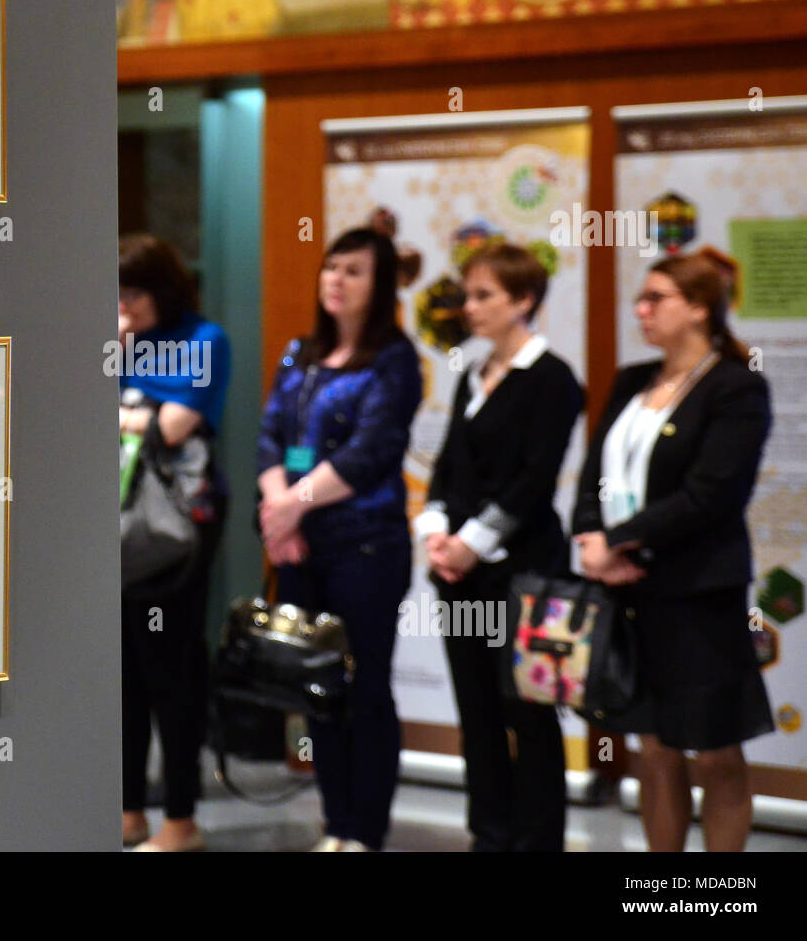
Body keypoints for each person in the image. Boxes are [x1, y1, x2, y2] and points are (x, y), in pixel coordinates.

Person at [572, 254, 773, 852]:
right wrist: (590, 538)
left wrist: (620, 539)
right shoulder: (633, 380)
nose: (642, 310)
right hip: (625, 589)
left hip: (697, 592)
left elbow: (710, 495)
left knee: (713, 750)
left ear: (699, 307)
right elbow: (591, 476)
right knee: (652, 746)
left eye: (656, 297)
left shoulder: (736, 387)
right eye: (641, 298)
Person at [257, 227, 423, 851]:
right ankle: (336, 825)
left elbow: (368, 454)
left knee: (366, 689)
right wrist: (282, 515)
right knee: (317, 689)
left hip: (366, 548)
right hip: (300, 547)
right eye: (331, 267)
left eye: (353, 270)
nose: (336, 280)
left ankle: (367, 833)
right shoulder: (300, 354)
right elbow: (272, 437)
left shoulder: (394, 359)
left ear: (379, 286)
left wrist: (288, 510)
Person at [414, 243, 584, 852]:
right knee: (477, 710)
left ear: (524, 300)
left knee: (531, 714)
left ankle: (538, 841)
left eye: (485, 295)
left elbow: (534, 481)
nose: (470, 306)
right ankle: (488, 835)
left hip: (526, 574)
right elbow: (447, 467)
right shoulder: (473, 373)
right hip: (460, 576)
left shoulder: (553, 379)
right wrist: (436, 533)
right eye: (468, 293)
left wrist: (474, 543)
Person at [118, 234, 231, 853]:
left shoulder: (202, 341)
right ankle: (129, 807)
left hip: (177, 524)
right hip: (119, 520)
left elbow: (171, 425)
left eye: (131, 291)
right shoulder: (121, 339)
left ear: (160, 288)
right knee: (124, 669)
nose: (122, 303)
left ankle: (181, 819)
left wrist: (130, 410)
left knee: (172, 668)